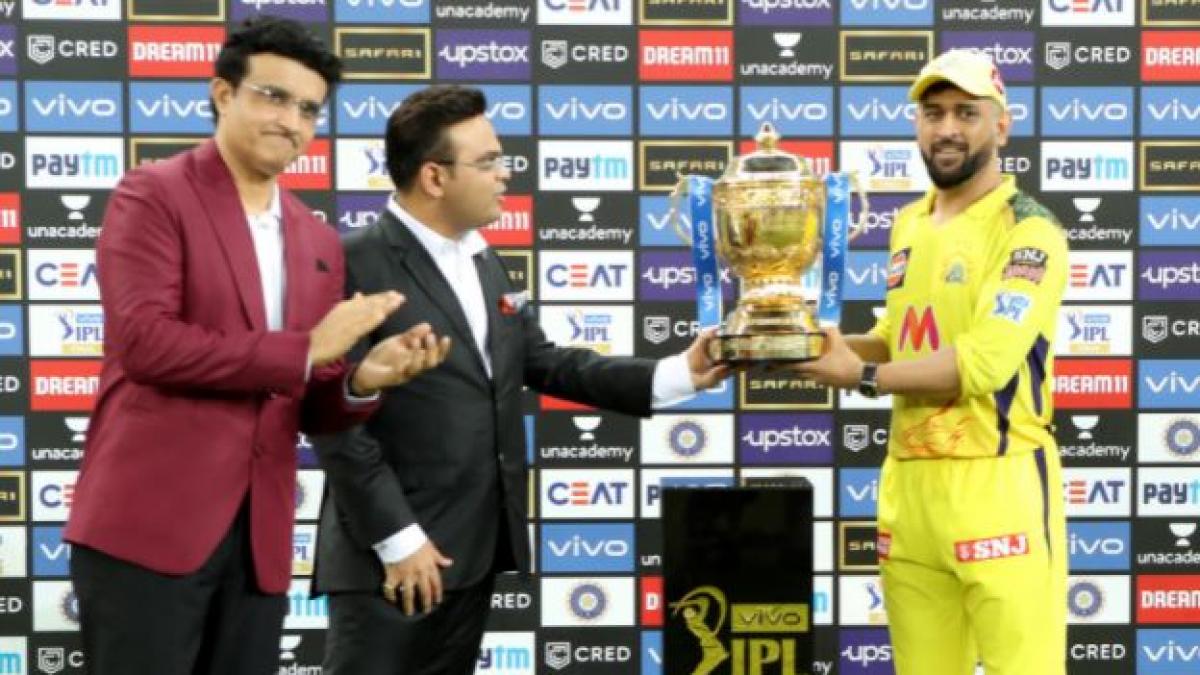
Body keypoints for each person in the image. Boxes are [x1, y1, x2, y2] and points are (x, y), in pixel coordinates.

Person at [64, 17, 449, 675]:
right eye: (273, 96)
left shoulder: (315, 237)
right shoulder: (152, 193)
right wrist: (305, 349)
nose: (292, 120)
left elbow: (308, 398)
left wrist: (363, 379)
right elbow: (146, 344)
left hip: (257, 544)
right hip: (148, 527)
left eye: (309, 109)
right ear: (222, 94)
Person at [312, 84, 731, 675]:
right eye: (487, 162)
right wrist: (399, 540)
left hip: (472, 553)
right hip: (391, 562)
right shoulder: (350, 260)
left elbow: (548, 363)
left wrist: (679, 372)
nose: (506, 175)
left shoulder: (483, 259)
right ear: (434, 177)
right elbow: (334, 421)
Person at [793, 50, 1069, 675]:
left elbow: (985, 362)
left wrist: (860, 376)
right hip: (909, 485)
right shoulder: (908, 222)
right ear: (917, 124)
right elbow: (898, 335)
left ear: (1001, 125)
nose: (948, 128)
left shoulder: (1030, 229)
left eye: (967, 113)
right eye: (934, 112)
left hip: (998, 482)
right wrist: (811, 345)